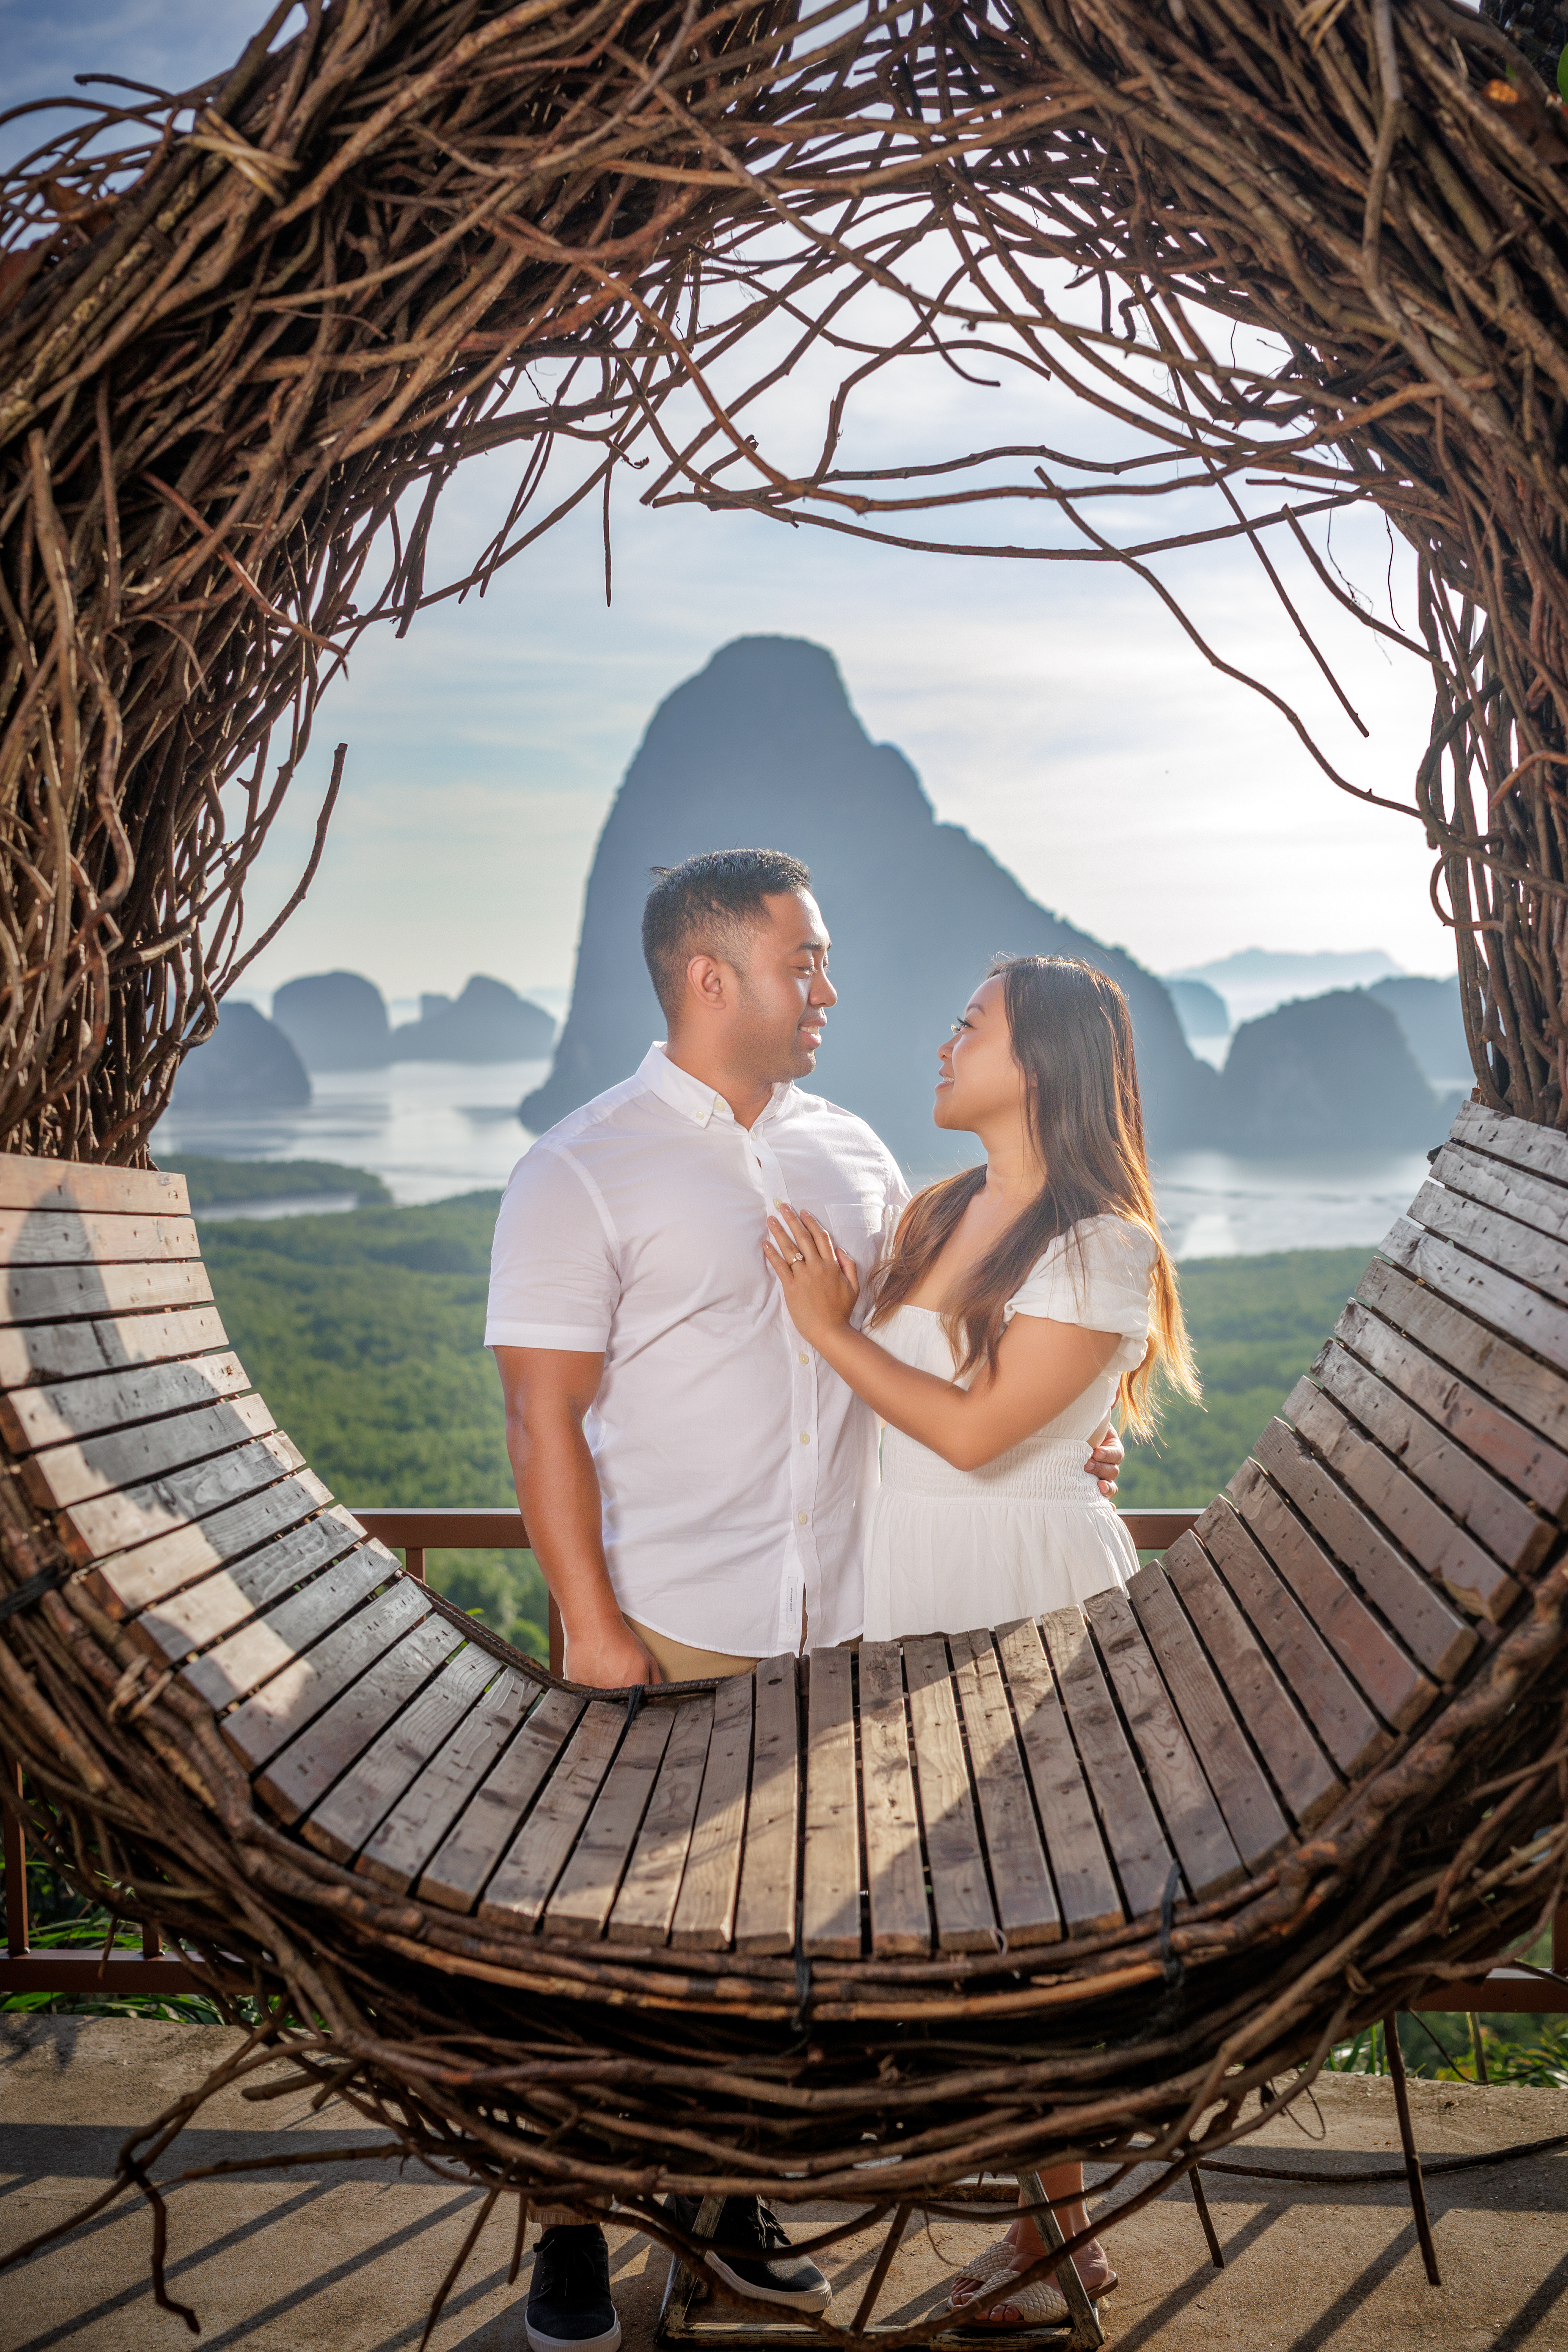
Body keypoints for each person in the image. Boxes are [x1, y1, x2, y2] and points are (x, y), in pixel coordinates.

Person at [486, 856, 1123, 2351]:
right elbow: (541, 1418)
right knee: (614, 1952)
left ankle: (722, 2203)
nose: (833, 989)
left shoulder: (859, 1156)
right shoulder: (581, 1167)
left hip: (844, 1625)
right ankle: (573, 2227)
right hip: (669, 1621)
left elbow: (956, 1351)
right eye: (808, 962)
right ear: (715, 979)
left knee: (768, 1959)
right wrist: (589, 1621)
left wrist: (1070, 1422)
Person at [764, 952, 1199, 2328]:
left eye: (975, 1024)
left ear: (1045, 1062)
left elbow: (968, 1429)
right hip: (912, 1592)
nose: (945, 1040)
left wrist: (830, 1331)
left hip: (1024, 1603)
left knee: (1025, 1929)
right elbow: (958, 1418)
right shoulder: (942, 1206)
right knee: (981, 1932)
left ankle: (1049, 2245)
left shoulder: (1103, 1240)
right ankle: (1052, 2239)